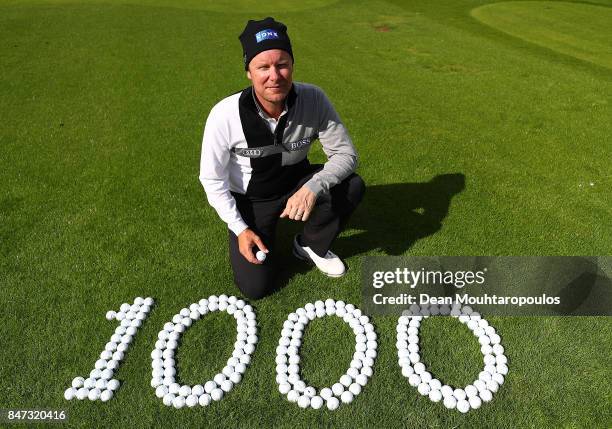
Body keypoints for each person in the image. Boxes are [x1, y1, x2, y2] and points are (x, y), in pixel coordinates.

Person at [199, 17, 365, 299]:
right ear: (249, 72)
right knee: (256, 287)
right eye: (263, 67)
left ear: (292, 65)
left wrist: (312, 187)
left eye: (282, 64)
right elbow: (212, 180)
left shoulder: (314, 98)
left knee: (352, 186)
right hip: (251, 199)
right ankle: (261, 230)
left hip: (295, 184)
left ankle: (310, 244)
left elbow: (346, 154)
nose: (274, 76)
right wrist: (240, 229)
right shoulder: (224, 115)